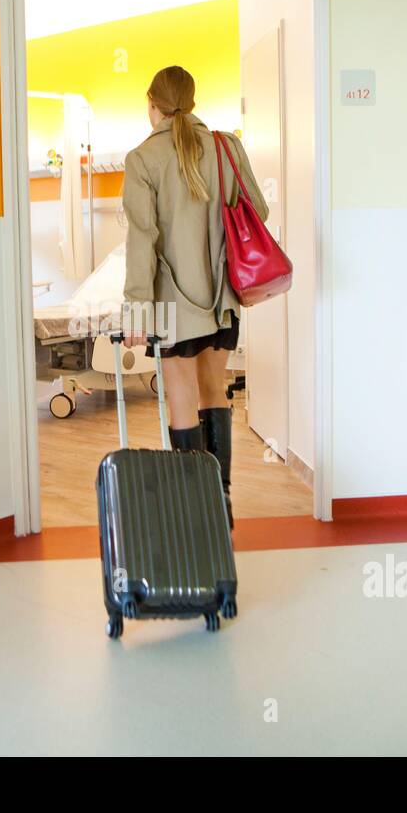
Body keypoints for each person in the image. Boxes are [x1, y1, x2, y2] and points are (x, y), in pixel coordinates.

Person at [121, 65, 269, 529]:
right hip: (222, 296)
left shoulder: (142, 159)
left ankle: (193, 508)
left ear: (153, 104)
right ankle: (220, 500)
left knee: (182, 397)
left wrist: (136, 310)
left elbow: (142, 239)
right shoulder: (227, 146)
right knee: (214, 392)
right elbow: (258, 211)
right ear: (192, 99)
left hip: (172, 305)